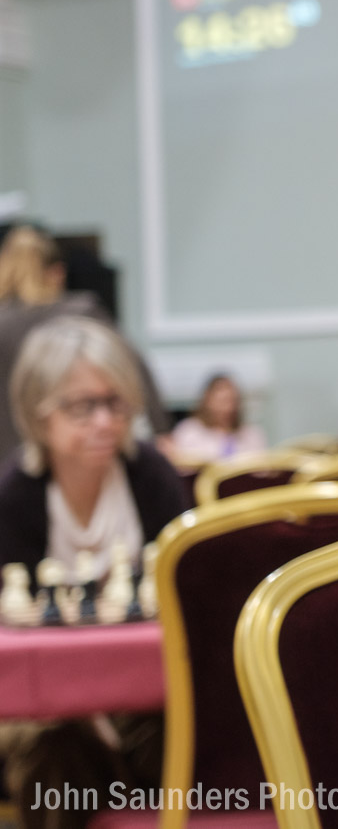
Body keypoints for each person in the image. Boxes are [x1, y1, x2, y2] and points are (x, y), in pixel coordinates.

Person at [0, 316, 186, 829]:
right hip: (40, 702)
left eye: (116, 403)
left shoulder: (151, 476)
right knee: (50, 748)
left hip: (143, 687)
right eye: (82, 407)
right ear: (38, 413)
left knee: (179, 730)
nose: (105, 421)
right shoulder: (15, 497)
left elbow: (189, 593)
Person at [0, 225, 168, 458]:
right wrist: (162, 430)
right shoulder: (83, 311)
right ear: (58, 272)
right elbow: (134, 371)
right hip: (76, 457)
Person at [168, 372, 266, 461]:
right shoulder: (189, 431)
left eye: (232, 400)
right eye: (222, 401)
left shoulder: (251, 434)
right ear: (208, 401)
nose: (228, 408)